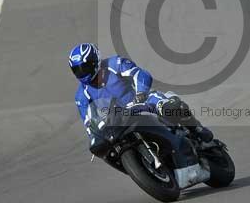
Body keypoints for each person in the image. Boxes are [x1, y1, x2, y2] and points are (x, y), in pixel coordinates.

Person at [68, 43, 213, 156]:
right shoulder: (81, 96)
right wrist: (96, 137)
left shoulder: (115, 63)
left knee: (170, 107)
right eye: (77, 70)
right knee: (105, 148)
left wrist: (141, 93)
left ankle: (197, 129)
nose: (82, 72)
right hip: (118, 121)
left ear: (95, 61)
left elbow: (140, 74)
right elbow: (88, 122)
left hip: (141, 102)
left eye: (85, 67)